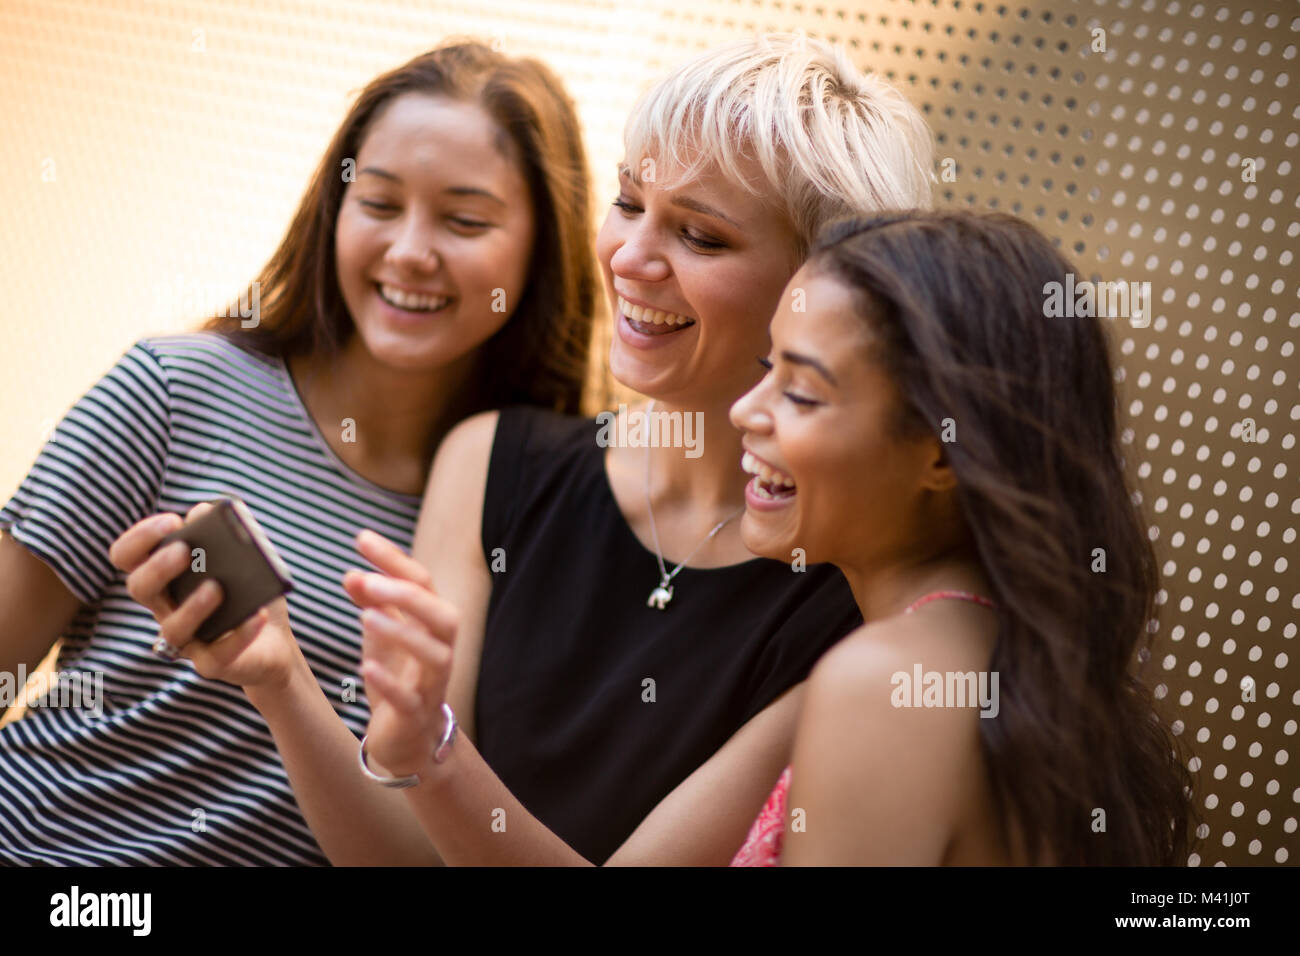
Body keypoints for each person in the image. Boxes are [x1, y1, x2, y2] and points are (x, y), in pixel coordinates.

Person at [113, 34, 936, 865]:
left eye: (701, 237)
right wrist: (279, 678)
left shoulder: (846, 603)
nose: (629, 255)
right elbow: (400, 859)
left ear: (824, 288)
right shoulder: (490, 461)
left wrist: (433, 752)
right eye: (628, 201)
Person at [0, 40, 599, 865]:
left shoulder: (527, 518)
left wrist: (286, 685)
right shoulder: (177, 388)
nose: (411, 251)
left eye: (464, 219)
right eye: (379, 203)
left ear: (541, 254)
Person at [727, 210, 1195, 865]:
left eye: (800, 393)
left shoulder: (888, 685)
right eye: (764, 366)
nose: (744, 410)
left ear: (943, 451)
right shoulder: (1013, 665)